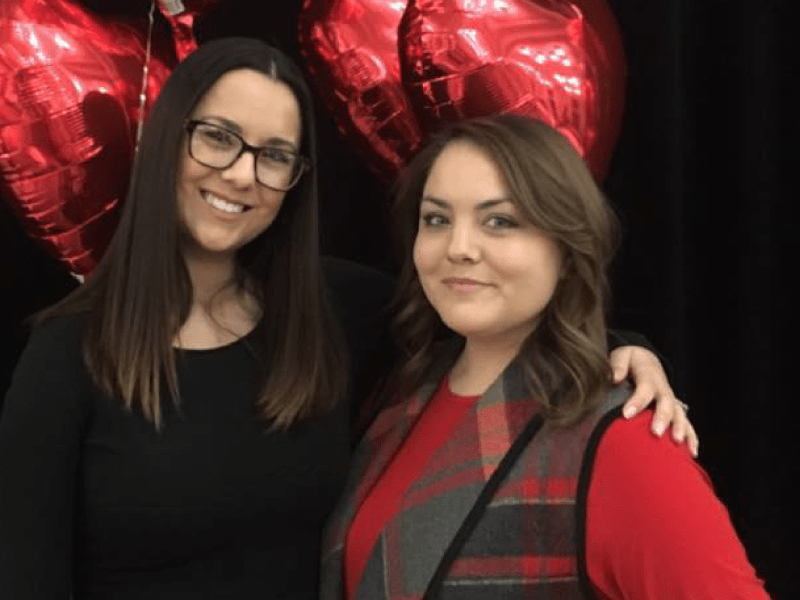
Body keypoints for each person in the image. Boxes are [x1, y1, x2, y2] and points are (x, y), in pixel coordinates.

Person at [0, 38, 688, 599]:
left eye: (274, 156)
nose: (242, 175)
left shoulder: (336, 308)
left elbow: (488, 312)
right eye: (217, 138)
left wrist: (623, 348)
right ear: (166, 141)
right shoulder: (68, 353)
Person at [319, 115, 771, 600]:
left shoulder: (627, 439)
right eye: (437, 219)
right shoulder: (399, 390)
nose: (459, 247)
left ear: (568, 251)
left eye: (501, 221)